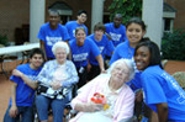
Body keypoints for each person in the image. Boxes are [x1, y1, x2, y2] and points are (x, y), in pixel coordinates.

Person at [69, 59, 136, 122]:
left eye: (124, 72)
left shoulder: (129, 94)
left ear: (128, 78)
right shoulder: (98, 82)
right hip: (86, 117)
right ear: (112, 70)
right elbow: (74, 102)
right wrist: (86, 107)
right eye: (118, 69)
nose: (120, 72)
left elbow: (123, 118)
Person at [134, 40, 185, 122]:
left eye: (143, 55)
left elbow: (163, 106)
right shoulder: (157, 70)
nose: (138, 58)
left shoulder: (148, 74)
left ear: (152, 57)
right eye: (136, 55)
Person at [35, 41, 79, 122]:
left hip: (63, 92)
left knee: (57, 104)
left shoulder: (70, 65)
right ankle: (43, 120)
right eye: (58, 53)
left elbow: (75, 78)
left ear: (66, 54)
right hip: (48, 90)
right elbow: (40, 77)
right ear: (55, 54)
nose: (61, 55)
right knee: (40, 99)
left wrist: (62, 84)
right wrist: (50, 83)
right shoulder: (48, 64)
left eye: (63, 53)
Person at [3, 48, 45, 122]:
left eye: (40, 58)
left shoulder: (42, 71)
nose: (37, 60)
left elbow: (35, 86)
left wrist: (22, 75)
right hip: (17, 102)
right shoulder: (21, 68)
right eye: (35, 58)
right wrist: (13, 104)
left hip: (29, 105)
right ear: (30, 59)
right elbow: (13, 86)